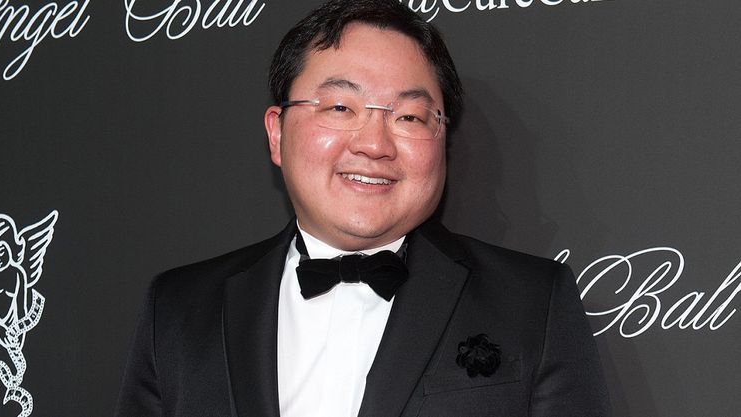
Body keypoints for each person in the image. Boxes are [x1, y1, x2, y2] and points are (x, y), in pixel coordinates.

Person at [115, 1, 611, 416]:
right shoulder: (179, 310)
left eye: (409, 116)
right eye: (340, 108)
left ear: (443, 140)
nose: (374, 145)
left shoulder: (532, 304)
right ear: (277, 133)